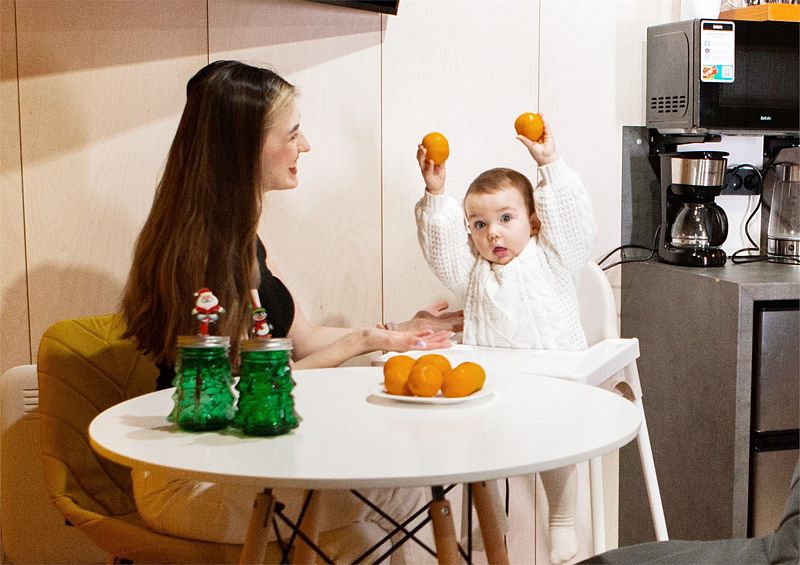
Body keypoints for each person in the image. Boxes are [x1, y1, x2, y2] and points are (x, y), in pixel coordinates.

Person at [119, 60, 462, 560]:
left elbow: (301, 339)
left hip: (242, 457)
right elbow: (247, 391)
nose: (306, 146)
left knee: (372, 530)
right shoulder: (199, 255)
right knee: (399, 488)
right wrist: (362, 342)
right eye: (293, 133)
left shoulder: (244, 236)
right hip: (189, 471)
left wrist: (398, 329)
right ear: (246, 147)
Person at [414, 116, 597, 564]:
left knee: (557, 444)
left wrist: (550, 165)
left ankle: (561, 518)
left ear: (533, 223)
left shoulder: (553, 258)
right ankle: (490, 512)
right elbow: (442, 253)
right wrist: (436, 195)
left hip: (553, 378)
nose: (492, 232)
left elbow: (574, 229)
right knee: (477, 439)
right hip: (495, 380)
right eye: (478, 224)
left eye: (505, 219)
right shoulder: (474, 272)